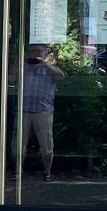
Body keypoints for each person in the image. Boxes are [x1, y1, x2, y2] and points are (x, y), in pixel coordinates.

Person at [13, 43, 65, 182]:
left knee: (46, 143)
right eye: (33, 51)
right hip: (23, 110)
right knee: (19, 144)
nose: (36, 53)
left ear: (45, 53)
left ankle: (47, 172)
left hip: (43, 110)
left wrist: (45, 65)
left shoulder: (50, 69)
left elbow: (61, 76)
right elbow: (10, 78)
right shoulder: (23, 68)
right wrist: (19, 62)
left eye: (39, 51)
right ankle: (18, 173)